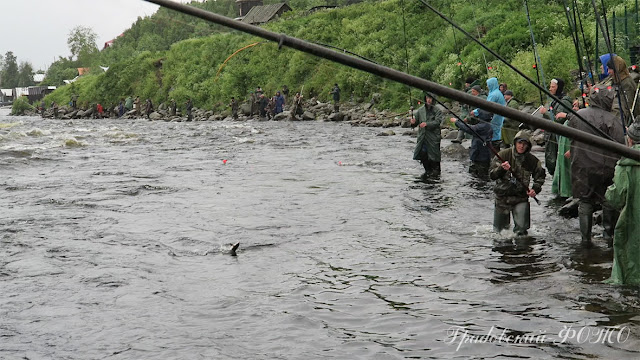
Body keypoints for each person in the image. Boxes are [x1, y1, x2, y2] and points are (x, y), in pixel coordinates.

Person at [562, 84, 625, 247]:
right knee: (607, 201)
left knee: (585, 201)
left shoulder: (578, 115)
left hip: (582, 169)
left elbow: (571, 137)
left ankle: (585, 239)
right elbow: (620, 144)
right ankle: (608, 235)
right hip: (606, 169)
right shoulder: (613, 120)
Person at [489, 130, 546, 236]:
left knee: (522, 232)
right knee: (499, 233)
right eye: (520, 143)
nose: (522, 146)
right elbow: (492, 175)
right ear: (515, 143)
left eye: (525, 144)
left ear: (528, 146)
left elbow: (540, 177)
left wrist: (535, 189)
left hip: (521, 198)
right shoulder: (503, 155)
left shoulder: (532, 161)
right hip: (502, 198)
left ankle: (522, 251)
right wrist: (501, 169)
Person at [605, 121, 640, 285]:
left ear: (630, 140)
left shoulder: (624, 165)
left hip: (632, 223)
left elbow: (615, 198)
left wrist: (608, 190)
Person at [539, 78, 572, 176]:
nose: (550, 89)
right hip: (551, 136)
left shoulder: (564, 102)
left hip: (559, 137)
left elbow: (558, 119)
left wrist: (546, 113)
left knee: (556, 160)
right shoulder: (553, 101)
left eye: (553, 87)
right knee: (550, 160)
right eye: (550, 86)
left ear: (559, 88)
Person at [450, 108, 493, 177]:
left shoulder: (483, 126)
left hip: (480, 157)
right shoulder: (486, 125)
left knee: (480, 177)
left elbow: (468, 129)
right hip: (480, 156)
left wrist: (456, 122)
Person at [550, 99, 579, 200]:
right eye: (574, 105)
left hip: (570, 149)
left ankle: (569, 192)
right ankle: (561, 190)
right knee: (562, 168)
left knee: (570, 170)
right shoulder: (569, 121)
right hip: (563, 148)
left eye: (577, 106)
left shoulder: (578, 120)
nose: (574, 107)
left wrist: (573, 149)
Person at [411, 92, 443, 176]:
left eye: (430, 98)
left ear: (433, 100)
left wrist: (427, 124)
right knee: (423, 154)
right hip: (423, 137)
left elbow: (437, 122)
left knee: (434, 156)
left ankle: (436, 172)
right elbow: (415, 123)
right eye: (427, 98)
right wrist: (413, 122)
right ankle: (427, 171)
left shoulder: (437, 110)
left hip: (433, 137)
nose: (428, 100)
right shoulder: (420, 110)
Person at [603, 55, 639, 126]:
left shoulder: (626, 83)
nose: (609, 72)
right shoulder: (616, 80)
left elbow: (628, 108)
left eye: (610, 69)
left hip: (630, 123)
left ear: (617, 69)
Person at [474, 77, 506, 149]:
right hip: (498, 117)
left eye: (488, 84)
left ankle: (493, 150)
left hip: (495, 117)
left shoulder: (493, 95)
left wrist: (475, 112)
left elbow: (486, 106)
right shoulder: (497, 93)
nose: (487, 86)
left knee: (494, 132)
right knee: (496, 132)